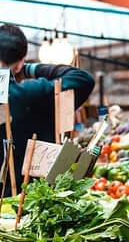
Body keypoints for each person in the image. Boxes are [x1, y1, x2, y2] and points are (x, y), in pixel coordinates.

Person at [0, 24, 95, 195]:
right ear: (20, 62)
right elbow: (82, 79)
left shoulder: (29, 93)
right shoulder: (33, 93)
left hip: (20, 199)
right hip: (27, 199)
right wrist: (31, 68)